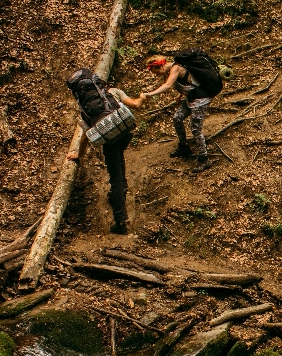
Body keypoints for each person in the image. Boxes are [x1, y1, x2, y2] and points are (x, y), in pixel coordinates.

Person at [66, 68, 145, 235]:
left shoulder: (85, 107)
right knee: (119, 160)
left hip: (109, 139)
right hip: (126, 133)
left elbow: (87, 135)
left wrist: (78, 155)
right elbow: (135, 105)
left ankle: (120, 221)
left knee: (115, 175)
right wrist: (142, 97)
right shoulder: (113, 92)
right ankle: (119, 191)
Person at [144, 52, 220, 172]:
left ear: (161, 66)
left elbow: (168, 85)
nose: (157, 75)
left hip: (200, 98)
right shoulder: (170, 71)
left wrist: (149, 94)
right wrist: (180, 94)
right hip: (191, 97)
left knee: (195, 129)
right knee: (177, 118)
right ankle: (183, 147)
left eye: (157, 72)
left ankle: (204, 159)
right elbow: (188, 81)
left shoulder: (176, 68)